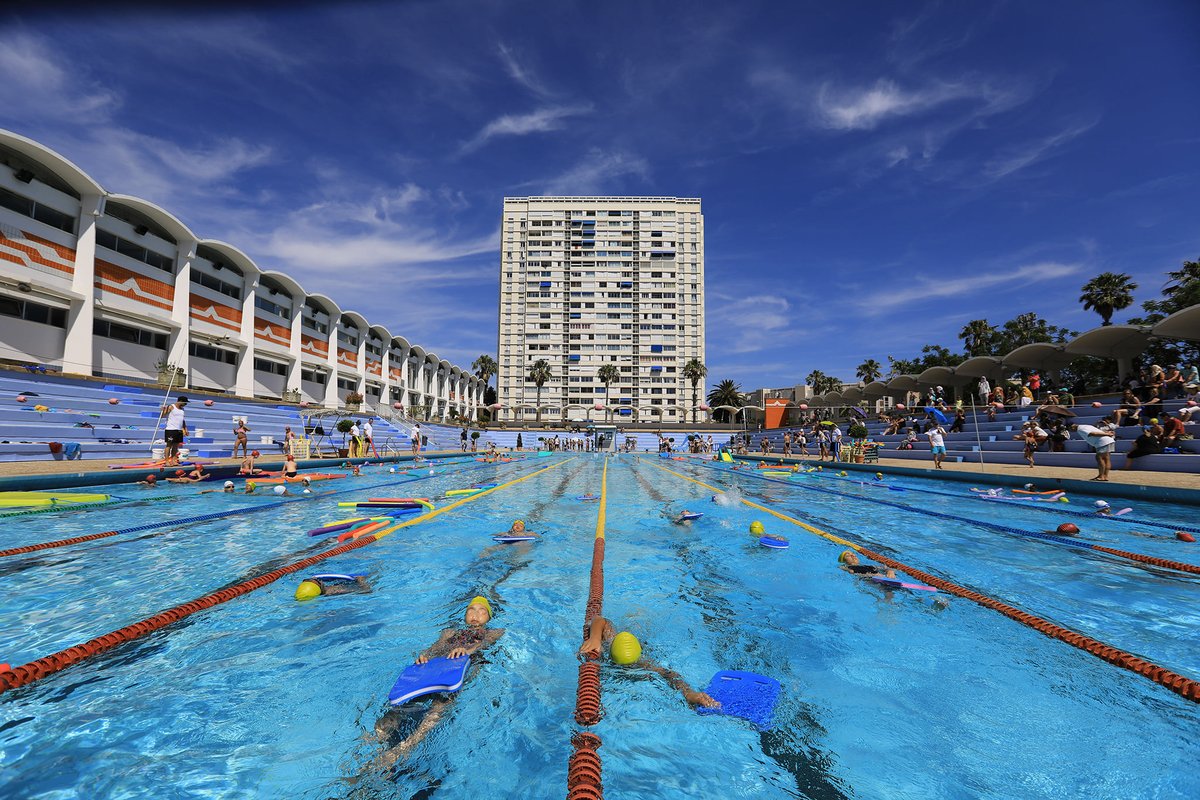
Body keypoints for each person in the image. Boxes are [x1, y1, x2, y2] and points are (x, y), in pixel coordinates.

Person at [372, 596, 504, 765]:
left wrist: (467, 650)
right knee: (405, 701)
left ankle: (408, 745)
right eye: (471, 610)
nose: (475, 614)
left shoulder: (494, 632)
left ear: (489, 617)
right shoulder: (449, 633)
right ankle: (376, 738)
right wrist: (424, 656)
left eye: (482, 611)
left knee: (442, 702)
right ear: (464, 615)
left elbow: (484, 644)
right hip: (435, 670)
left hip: (461, 671)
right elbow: (434, 648)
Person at [578, 616, 718, 708]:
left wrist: (689, 693)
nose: (626, 668)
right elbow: (600, 620)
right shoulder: (610, 641)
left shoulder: (643, 663)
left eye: (629, 666)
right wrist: (595, 638)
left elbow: (669, 674)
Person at [294, 574, 372, 600]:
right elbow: (367, 591)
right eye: (318, 581)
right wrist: (361, 581)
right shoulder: (335, 591)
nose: (318, 580)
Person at [160, 396, 189, 466]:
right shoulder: (171, 407)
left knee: (176, 446)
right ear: (181, 401)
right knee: (169, 445)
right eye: (185, 403)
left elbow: (182, 420)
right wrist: (163, 410)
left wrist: (185, 429)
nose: (186, 404)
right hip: (171, 429)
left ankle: (173, 460)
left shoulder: (182, 409)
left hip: (179, 430)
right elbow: (162, 416)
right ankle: (167, 461)